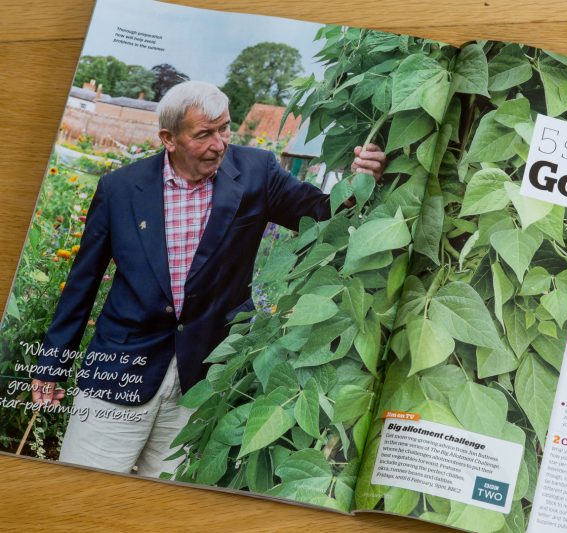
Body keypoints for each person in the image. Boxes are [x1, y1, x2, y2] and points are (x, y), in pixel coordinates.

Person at [30, 81, 386, 476]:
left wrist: (359, 183)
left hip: (201, 379)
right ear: (169, 138)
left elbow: (322, 211)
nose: (219, 144)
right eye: (203, 134)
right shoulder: (120, 189)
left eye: (224, 129)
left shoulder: (257, 171)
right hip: (121, 370)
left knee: (164, 500)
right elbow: (83, 283)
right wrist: (51, 366)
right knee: (82, 491)